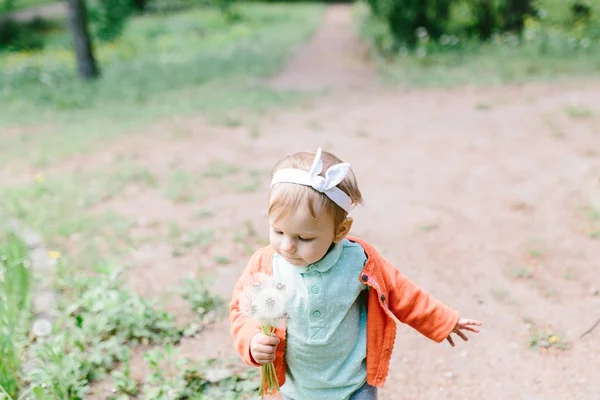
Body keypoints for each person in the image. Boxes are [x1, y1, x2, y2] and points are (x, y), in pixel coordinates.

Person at [230, 147, 482, 400]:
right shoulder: (266, 264)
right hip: (294, 389)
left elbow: (402, 292)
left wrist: (442, 320)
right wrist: (252, 340)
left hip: (353, 386)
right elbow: (242, 311)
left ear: (340, 231)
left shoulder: (358, 260)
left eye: (304, 237)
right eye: (278, 231)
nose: (287, 246)